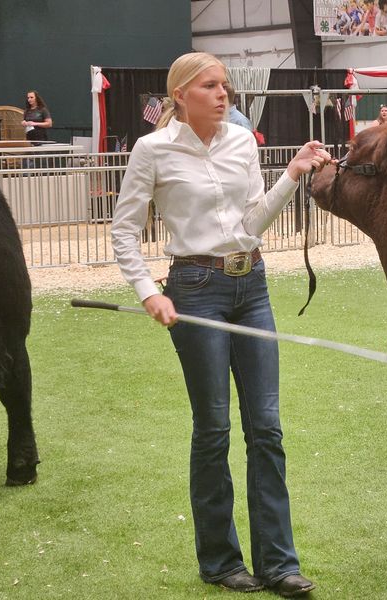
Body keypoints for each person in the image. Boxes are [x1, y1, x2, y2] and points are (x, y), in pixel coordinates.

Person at [111, 52, 330, 597]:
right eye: (210, 85)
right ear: (181, 93)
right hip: (194, 292)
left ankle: (278, 564)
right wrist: (147, 294)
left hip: (251, 285)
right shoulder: (151, 150)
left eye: (225, 85)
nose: (222, 93)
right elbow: (123, 232)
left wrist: (292, 175)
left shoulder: (241, 142)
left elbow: (253, 221)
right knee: (213, 430)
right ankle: (220, 561)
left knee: (268, 429)